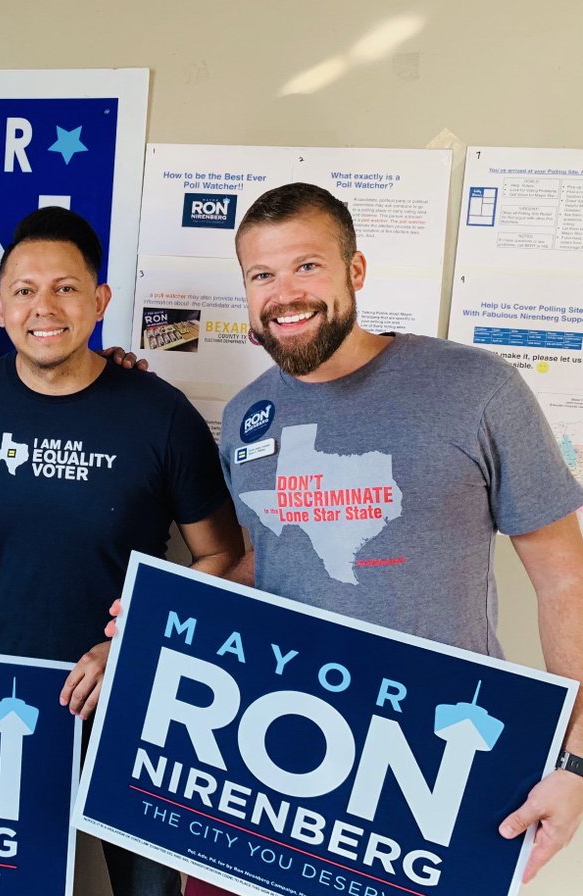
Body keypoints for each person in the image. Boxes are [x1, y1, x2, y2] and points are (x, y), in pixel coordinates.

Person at [209, 181, 583, 887]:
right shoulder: (244, 416)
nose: (284, 293)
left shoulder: (475, 389)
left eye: (307, 266)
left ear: (356, 270)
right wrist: (152, 618)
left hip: (445, 754)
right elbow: (270, 562)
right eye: (262, 275)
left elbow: (567, 578)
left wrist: (576, 763)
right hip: (290, 749)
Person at [0, 206, 245, 896]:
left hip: (140, 698)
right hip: (13, 701)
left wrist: (130, 641)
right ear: (0, 305)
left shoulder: (160, 414)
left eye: (65, 288)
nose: (44, 307)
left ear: (100, 301)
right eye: (25, 290)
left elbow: (224, 558)